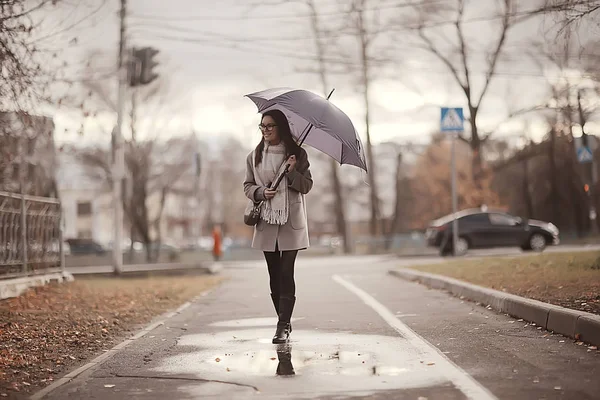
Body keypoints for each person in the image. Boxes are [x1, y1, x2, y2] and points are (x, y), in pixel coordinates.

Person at [243, 109, 313, 344]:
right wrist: (261, 192)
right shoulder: (254, 156)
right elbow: (247, 186)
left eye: (270, 126)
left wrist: (292, 171)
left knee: (286, 272)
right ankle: (285, 319)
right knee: (273, 275)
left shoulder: (298, 155)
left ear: (281, 127)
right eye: (262, 126)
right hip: (267, 219)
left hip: (291, 220)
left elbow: (306, 186)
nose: (265, 130)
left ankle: (282, 326)